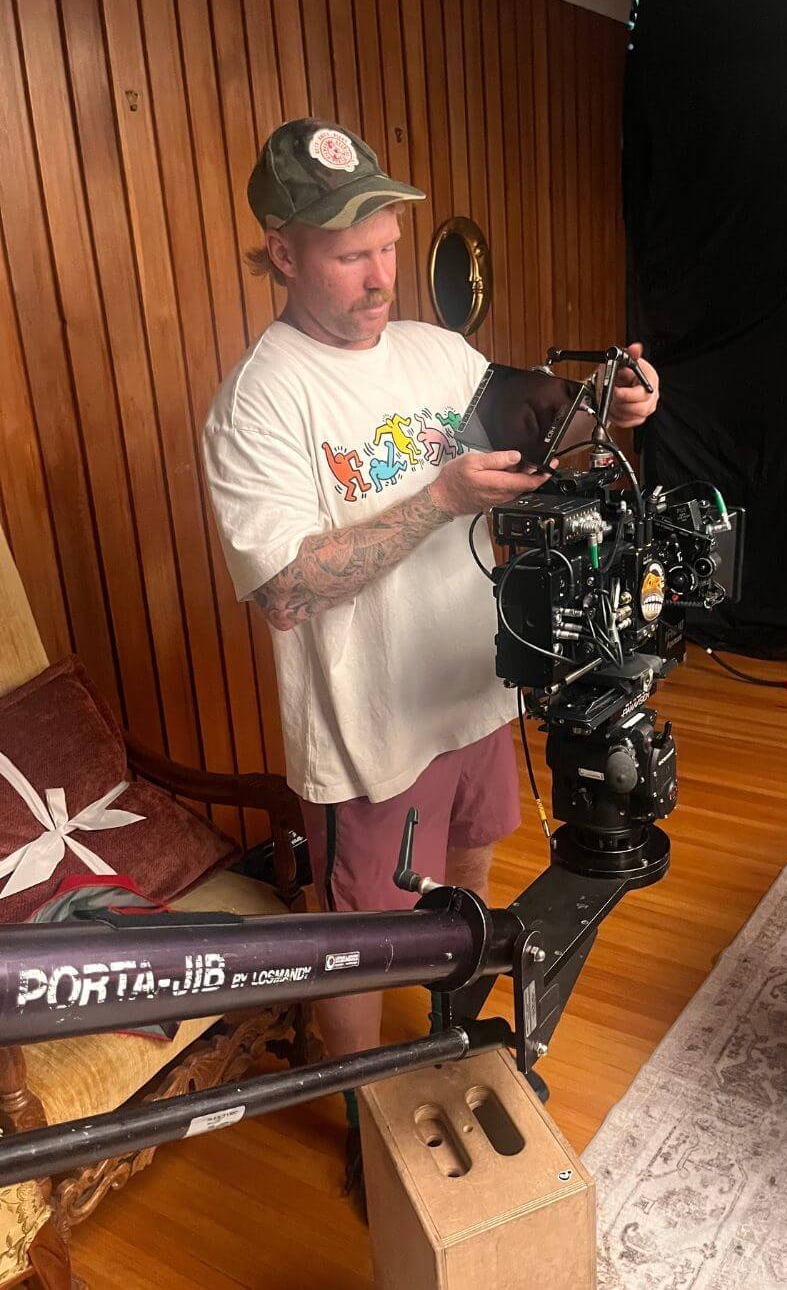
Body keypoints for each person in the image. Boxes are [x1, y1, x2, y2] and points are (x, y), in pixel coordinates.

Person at [202, 117, 659, 1067]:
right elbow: (284, 588)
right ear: (283, 254)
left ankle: (450, 1038)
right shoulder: (261, 399)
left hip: (472, 690)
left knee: (470, 877)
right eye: (348, 256)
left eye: (388, 249)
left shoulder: (436, 354)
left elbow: (538, 432)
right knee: (360, 940)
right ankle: (365, 1107)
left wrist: (607, 406)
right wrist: (438, 499)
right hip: (370, 730)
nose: (379, 278)